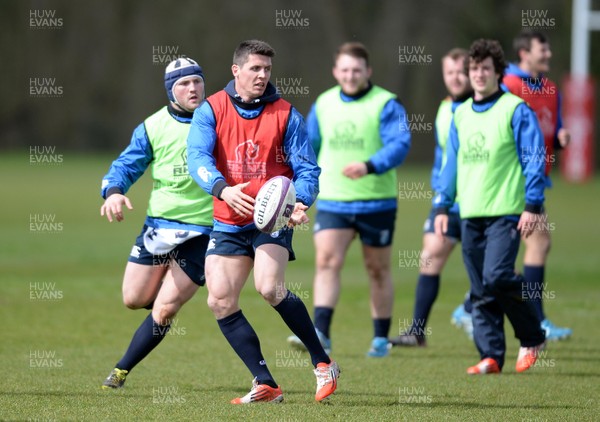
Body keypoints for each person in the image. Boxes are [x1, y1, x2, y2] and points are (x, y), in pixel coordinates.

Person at [187, 39, 339, 404]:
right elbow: (197, 157)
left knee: (269, 288)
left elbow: (308, 169)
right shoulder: (211, 110)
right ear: (236, 71)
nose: (262, 75)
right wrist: (222, 189)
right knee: (220, 300)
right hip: (227, 219)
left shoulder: (287, 114)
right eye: (255, 68)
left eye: (267, 69)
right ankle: (265, 383)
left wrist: (300, 202)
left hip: (272, 219)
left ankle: (323, 363)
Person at [287, 41, 411, 357]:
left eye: (356, 70)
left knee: (377, 269)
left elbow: (400, 144)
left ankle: (380, 339)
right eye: (344, 69)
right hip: (333, 200)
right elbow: (307, 146)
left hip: (376, 201)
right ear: (335, 71)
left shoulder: (387, 104)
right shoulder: (324, 104)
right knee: (327, 262)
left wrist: (369, 165)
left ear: (368, 71)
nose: (350, 75)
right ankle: (320, 333)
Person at [451, 31, 573, 342]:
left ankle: (483, 309)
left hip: (533, 179)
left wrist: (559, 137)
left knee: (520, 255)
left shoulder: (549, 87)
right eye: (541, 49)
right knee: (531, 248)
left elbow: (550, 127)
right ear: (523, 54)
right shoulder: (510, 88)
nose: (547, 54)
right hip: (510, 186)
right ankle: (532, 323)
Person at [433, 39, 547, 374]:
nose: (479, 74)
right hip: (469, 212)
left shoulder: (515, 109)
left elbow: (534, 159)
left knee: (497, 276)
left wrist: (533, 204)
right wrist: (442, 205)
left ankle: (532, 336)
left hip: (506, 210)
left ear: (498, 72)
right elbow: (451, 164)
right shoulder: (461, 113)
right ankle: (492, 355)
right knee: (481, 289)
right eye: (474, 69)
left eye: (486, 68)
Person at [99, 57, 213, 388]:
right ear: (170, 90)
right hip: (159, 227)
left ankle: (120, 371)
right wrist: (114, 192)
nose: (192, 88)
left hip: (204, 230)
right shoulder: (152, 126)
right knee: (134, 299)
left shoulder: (219, 120)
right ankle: (167, 295)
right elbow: (125, 165)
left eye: (197, 81)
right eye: (183, 84)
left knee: (163, 310)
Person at [389, 48, 472, 348]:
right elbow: (443, 153)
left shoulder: (484, 107)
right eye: (449, 72)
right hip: (448, 202)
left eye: (461, 71)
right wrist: (439, 186)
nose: (456, 77)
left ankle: (523, 328)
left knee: (495, 270)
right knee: (431, 255)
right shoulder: (444, 108)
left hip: (482, 201)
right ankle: (417, 331)